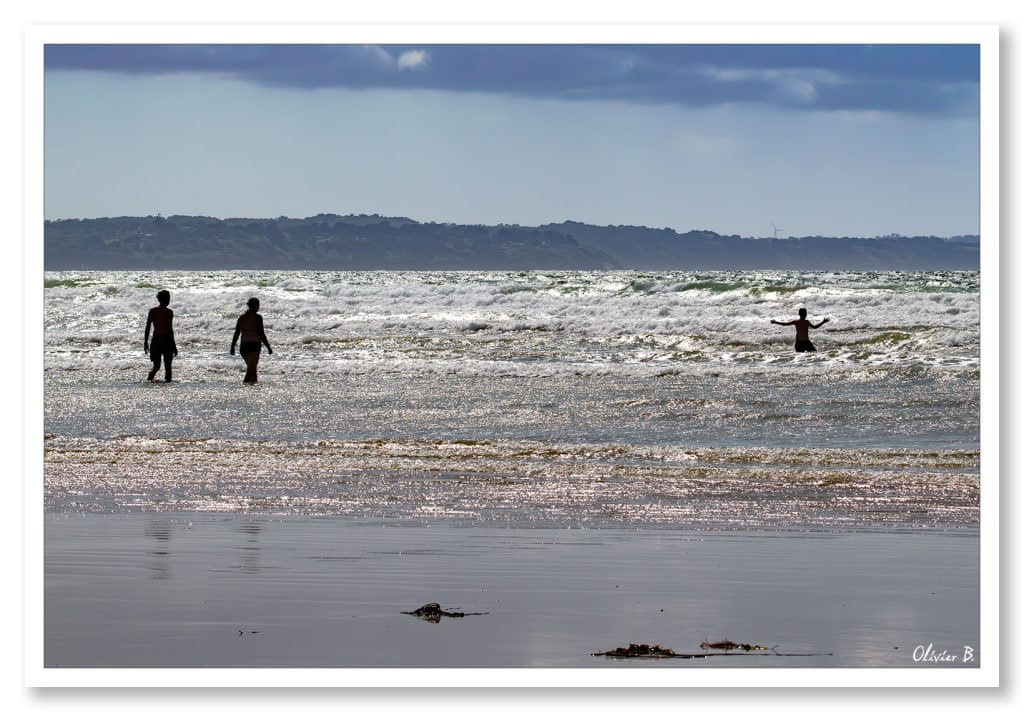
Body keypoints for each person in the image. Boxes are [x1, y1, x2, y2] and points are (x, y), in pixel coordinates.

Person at [230, 297, 273, 383]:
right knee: (251, 369)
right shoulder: (258, 318)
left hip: (244, 346)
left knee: (252, 368)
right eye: (258, 305)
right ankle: (245, 387)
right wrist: (268, 346)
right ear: (255, 306)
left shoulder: (242, 317)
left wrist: (232, 346)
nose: (258, 307)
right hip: (254, 345)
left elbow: (237, 333)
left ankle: (252, 387)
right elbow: (261, 333)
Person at [144, 290, 178, 381]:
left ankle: (149, 380)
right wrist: (173, 345)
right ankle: (153, 381)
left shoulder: (154, 311)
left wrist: (145, 342)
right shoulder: (168, 312)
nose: (169, 300)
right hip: (164, 341)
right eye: (168, 299)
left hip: (157, 341)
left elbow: (147, 328)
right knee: (166, 367)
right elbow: (170, 330)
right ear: (164, 300)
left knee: (157, 366)